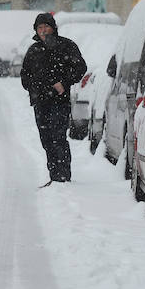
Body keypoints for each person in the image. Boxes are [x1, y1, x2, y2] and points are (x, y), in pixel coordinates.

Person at [20, 13, 87, 186]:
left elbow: (80, 67)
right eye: (39, 28)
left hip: (59, 101)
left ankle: (63, 177)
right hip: (40, 102)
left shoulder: (66, 46)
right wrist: (32, 87)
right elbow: (24, 75)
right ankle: (54, 176)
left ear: (53, 27)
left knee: (58, 137)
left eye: (46, 27)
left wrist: (64, 83)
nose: (43, 31)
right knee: (46, 139)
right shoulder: (33, 50)